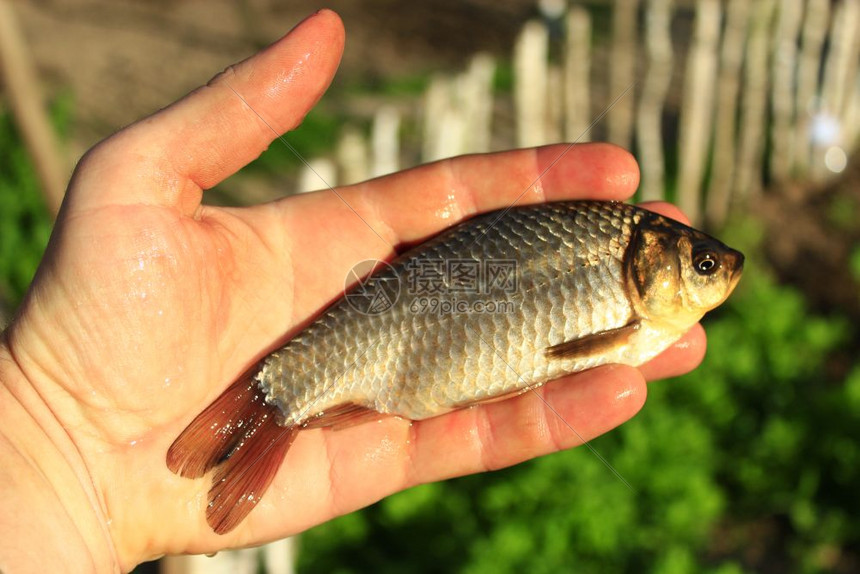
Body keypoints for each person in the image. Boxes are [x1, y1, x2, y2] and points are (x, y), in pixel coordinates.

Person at [0, 10, 705, 573]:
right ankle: (278, 394)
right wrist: (55, 441)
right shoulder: (619, 275)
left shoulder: (623, 287)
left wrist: (57, 458)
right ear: (652, 261)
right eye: (700, 267)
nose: (713, 275)